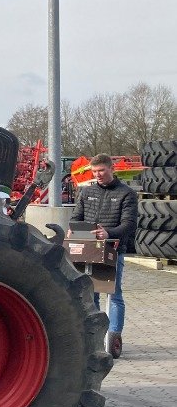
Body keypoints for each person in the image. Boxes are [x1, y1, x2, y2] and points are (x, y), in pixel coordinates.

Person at [68, 153, 138, 357]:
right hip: (88, 247)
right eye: (94, 171)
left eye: (101, 171)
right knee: (92, 292)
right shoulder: (86, 191)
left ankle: (114, 336)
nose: (97, 174)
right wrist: (72, 229)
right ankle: (97, 335)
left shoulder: (126, 194)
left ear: (111, 169)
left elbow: (129, 224)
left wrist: (109, 233)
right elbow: (76, 216)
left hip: (113, 249)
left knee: (113, 293)